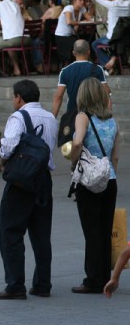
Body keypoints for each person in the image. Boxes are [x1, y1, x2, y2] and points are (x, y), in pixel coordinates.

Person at [0, 79, 57, 300]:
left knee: (10, 232)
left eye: (14, 96)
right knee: (41, 235)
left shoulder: (18, 117)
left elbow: (9, 144)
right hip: (43, 180)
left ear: (19, 97)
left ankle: (15, 285)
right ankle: (42, 284)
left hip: (21, 181)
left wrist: (2, 160)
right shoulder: (50, 117)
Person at [70, 77, 119, 294]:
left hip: (89, 180)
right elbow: (115, 156)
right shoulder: (112, 120)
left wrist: (73, 162)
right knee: (105, 229)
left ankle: (92, 279)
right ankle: (105, 277)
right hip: (109, 179)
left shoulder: (83, 117)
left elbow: (78, 141)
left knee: (91, 230)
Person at [51, 39, 109, 118]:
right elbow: (106, 94)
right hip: (94, 115)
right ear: (89, 52)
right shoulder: (98, 69)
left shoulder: (65, 71)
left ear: (73, 53)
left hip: (72, 115)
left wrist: (53, 118)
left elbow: (58, 97)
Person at [91, 0, 130, 72]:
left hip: (112, 37)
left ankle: (107, 63)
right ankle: (113, 61)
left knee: (94, 44)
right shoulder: (128, 4)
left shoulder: (112, 4)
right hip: (125, 37)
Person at [55, 0, 92, 66]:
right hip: (62, 36)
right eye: (80, 0)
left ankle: (85, 63)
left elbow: (90, 19)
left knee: (86, 42)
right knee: (79, 44)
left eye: (83, 0)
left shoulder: (82, 9)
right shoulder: (68, 8)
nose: (82, 2)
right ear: (74, 1)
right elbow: (69, 21)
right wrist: (80, 22)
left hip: (72, 34)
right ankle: (79, 64)